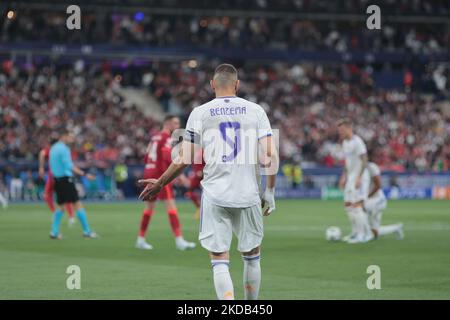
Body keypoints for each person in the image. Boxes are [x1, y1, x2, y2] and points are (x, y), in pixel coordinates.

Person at [139, 64, 278, 300]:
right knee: (252, 255)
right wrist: (270, 192)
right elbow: (270, 155)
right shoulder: (256, 111)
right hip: (248, 194)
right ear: (237, 84)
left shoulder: (200, 113)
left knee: (219, 258)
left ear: (212, 84)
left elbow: (184, 157)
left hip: (215, 195)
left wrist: (161, 182)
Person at [136, 115, 196, 251]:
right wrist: (178, 176)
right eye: (175, 123)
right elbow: (166, 157)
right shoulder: (166, 138)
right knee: (171, 207)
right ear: (167, 124)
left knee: (149, 209)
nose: (177, 126)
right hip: (159, 176)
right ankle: (179, 240)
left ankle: (140, 239)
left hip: (149, 172)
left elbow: (146, 157)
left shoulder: (154, 137)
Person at [48, 129, 97, 239]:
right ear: (64, 136)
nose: (72, 139)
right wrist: (85, 174)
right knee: (77, 204)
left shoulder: (53, 148)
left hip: (57, 180)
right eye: (70, 136)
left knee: (60, 207)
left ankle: (54, 232)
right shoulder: (64, 149)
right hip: (66, 179)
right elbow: (69, 166)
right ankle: (87, 231)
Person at [337, 118, 372, 243]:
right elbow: (347, 162)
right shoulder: (345, 143)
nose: (340, 133)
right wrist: (344, 176)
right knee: (348, 205)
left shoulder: (357, 141)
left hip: (360, 177)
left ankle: (363, 235)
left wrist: (359, 177)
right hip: (351, 177)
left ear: (348, 128)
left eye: (342, 130)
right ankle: (355, 232)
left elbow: (364, 159)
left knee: (357, 206)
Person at [365, 160, 404, 240]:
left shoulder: (371, 167)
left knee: (361, 210)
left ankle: (361, 232)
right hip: (372, 201)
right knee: (374, 232)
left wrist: (367, 197)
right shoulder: (357, 169)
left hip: (377, 200)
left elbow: (378, 185)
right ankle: (396, 228)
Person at [39, 139, 75, 225]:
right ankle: (70, 216)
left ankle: (56, 214)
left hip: (54, 176)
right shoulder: (61, 149)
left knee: (48, 195)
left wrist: (41, 167)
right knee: (66, 197)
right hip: (62, 175)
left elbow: (42, 153)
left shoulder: (52, 150)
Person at [179, 149, 205, 219]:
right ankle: (200, 209)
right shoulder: (196, 151)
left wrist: (202, 171)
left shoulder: (204, 151)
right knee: (189, 192)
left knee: (205, 194)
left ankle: (202, 210)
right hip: (196, 175)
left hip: (203, 175)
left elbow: (209, 163)